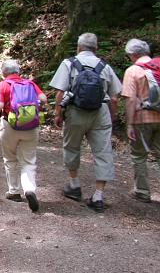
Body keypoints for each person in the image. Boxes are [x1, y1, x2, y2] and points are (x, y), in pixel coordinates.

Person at [50, 32, 122, 213]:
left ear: (78, 47)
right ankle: (98, 196)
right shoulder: (105, 67)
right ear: (96, 48)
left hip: (75, 112)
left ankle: (74, 185)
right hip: (100, 112)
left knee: (72, 147)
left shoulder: (69, 63)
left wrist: (58, 113)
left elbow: (60, 92)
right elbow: (114, 98)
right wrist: (111, 118)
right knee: (103, 152)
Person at [0, 60, 47, 213]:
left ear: (4, 72)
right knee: (29, 160)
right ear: (18, 71)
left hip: (10, 125)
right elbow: (43, 99)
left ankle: (14, 191)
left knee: (10, 158)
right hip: (31, 126)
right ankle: (29, 189)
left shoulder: (3, 85)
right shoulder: (29, 83)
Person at [121, 38, 160, 203]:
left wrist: (129, 124)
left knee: (139, 156)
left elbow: (130, 100)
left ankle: (142, 191)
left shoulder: (133, 71)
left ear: (133, 55)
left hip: (141, 119)